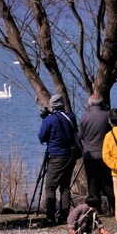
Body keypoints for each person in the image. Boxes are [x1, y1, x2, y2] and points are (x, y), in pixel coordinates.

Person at [36, 94, 80, 226]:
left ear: (51, 106)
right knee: (65, 186)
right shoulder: (70, 117)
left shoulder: (49, 120)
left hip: (56, 156)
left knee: (50, 186)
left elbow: (42, 137)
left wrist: (45, 120)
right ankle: (64, 216)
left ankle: (50, 217)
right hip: (70, 155)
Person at [79, 94, 115, 215]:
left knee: (92, 183)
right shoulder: (107, 115)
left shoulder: (84, 117)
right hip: (106, 154)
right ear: (101, 103)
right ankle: (115, 208)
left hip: (90, 155)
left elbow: (80, 136)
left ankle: (95, 209)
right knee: (108, 182)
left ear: (90, 104)